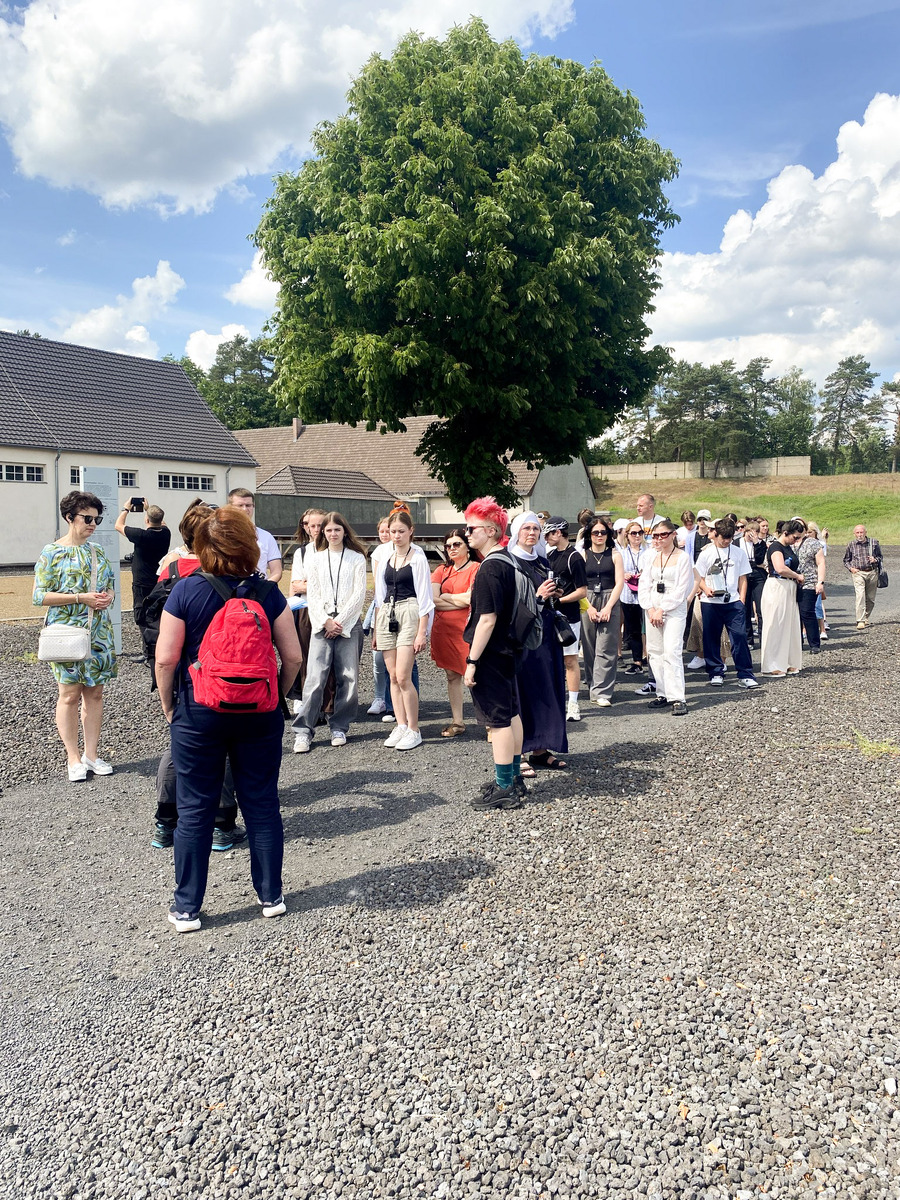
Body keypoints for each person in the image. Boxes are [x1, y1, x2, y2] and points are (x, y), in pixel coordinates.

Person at [155, 505, 302, 932]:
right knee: (261, 802)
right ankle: (271, 895)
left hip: (199, 710)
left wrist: (170, 705)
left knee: (196, 806)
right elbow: (292, 656)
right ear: (249, 545)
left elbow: (166, 660)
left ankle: (187, 908)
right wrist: (274, 696)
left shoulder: (185, 590)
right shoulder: (268, 594)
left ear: (201, 545)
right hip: (258, 713)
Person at [33, 490, 117, 781]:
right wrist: (81, 597)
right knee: (69, 695)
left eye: (97, 518)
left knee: (95, 693)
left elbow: (109, 586)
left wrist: (108, 597)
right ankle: (72, 758)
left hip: (98, 633)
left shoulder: (99, 552)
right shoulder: (51, 552)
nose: (93, 523)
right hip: (66, 633)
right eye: (88, 518)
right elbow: (39, 596)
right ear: (70, 517)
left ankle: (91, 755)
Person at [463, 498, 526, 810]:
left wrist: (472, 662)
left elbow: (487, 619)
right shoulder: (508, 560)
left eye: (472, 528)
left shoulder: (489, 568)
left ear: (489, 530)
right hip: (508, 650)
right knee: (511, 713)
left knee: (498, 721)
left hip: (491, 652)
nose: (467, 533)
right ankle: (513, 778)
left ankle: (505, 787)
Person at [292, 512, 367, 752]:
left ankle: (339, 726)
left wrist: (340, 622)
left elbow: (358, 595)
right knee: (315, 678)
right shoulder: (314, 560)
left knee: (349, 678)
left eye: (337, 529)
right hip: (320, 624)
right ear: (322, 533)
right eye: (328, 530)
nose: (332, 534)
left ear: (345, 531)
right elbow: (312, 595)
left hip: (348, 624)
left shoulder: (356, 558)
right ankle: (304, 730)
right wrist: (325, 621)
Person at [509, 512, 568, 772]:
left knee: (547, 689)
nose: (531, 532)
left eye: (535, 528)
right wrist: (539, 595)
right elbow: (512, 603)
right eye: (526, 528)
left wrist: (555, 594)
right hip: (523, 636)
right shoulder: (510, 563)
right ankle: (519, 752)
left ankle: (541, 749)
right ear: (516, 532)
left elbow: (548, 600)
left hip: (545, 636)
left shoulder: (543, 562)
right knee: (523, 691)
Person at [373, 509, 434, 751]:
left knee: (403, 676)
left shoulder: (418, 558)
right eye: (392, 532)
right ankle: (400, 724)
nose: (396, 536)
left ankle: (414, 728)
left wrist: (422, 631)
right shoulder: (386, 558)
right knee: (392, 675)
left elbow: (425, 598)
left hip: (409, 611)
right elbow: (379, 596)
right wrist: (376, 631)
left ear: (410, 532)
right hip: (387, 612)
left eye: (400, 531)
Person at [694, 518, 758, 689]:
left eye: (730, 537)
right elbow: (697, 576)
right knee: (711, 638)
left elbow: (743, 577)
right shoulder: (706, 553)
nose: (727, 541)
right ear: (715, 534)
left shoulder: (738, 553)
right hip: (711, 602)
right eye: (724, 537)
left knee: (739, 637)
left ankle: (745, 674)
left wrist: (742, 599)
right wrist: (705, 589)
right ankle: (715, 672)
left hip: (733, 602)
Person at [637, 519, 692, 715]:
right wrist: (651, 608)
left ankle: (677, 696)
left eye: (663, 535)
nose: (659, 539)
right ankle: (662, 692)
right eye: (655, 535)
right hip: (653, 606)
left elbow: (681, 590)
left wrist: (663, 609)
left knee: (671, 651)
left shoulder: (683, 558)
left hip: (673, 609)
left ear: (673, 535)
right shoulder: (651, 556)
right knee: (655, 651)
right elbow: (644, 584)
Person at [430, 528, 481, 737]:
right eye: (448, 545)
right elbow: (433, 600)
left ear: (467, 546)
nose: (452, 548)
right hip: (444, 631)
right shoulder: (441, 570)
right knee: (452, 675)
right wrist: (459, 599)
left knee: (476, 676)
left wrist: (447, 597)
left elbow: (473, 599)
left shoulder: (477, 568)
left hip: (468, 630)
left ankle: (489, 723)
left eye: (457, 544)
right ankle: (458, 722)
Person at [542, 517, 588, 720]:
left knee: (569, 660)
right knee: (552, 661)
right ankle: (555, 703)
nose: (545, 538)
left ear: (557, 533)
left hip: (568, 617)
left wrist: (562, 600)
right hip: (550, 614)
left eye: (548, 534)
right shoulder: (549, 555)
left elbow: (582, 591)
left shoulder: (574, 557)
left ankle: (574, 704)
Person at [114, 498, 170, 654]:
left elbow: (118, 525)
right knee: (157, 614)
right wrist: (149, 508)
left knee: (142, 617)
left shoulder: (141, 535)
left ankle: (148, 652)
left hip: (141, 583)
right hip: (158, 582)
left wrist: (125, 508)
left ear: (146, 520)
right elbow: (160, 521)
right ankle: (157, 648)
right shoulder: (166, 533)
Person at [578, 518, 624, 707]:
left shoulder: (615, 555)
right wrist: (589, 607)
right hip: (587, 599)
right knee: (589, 647)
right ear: (589, 534)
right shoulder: (582, 555)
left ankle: (603, 691)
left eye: (602, 532)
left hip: (609, 598)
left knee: (606, 646)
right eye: (595, 532)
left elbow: (619, 582)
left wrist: (608, 607)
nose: (599, 536)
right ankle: (593, 683)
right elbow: (578, 584)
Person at [287, 508, 328, 712]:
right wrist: (318, 585)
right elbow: (296, 585)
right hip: (305, 609)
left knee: (327, 657)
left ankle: (326, 702)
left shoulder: (335, 550)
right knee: (304, 654)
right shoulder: (301, 552)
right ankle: (303, 695)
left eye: (321, 525)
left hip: (329, 611)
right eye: (312, 525)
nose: (317, 529)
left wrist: (310, 585)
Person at [760, 519, 805, 677]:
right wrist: (797, 575)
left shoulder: (787, 547)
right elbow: (780, 568)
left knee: (790, 625)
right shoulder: (775, 547)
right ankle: (771, 664)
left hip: (789, 588)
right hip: (777, 586)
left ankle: (788, 662)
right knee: (776, 624)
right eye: (795, 537)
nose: (796, 540)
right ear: (785, 533)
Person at [227, 487, 283, 582]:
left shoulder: (266, 537)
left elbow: (277, 571)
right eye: (240, 505)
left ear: (253, 506)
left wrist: (264, 589)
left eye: (248, 505)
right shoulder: (223, 535)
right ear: (230, 507)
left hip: (259, 590)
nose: (245, 509)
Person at [620, 520, 648, 675]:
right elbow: (617, 572)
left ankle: (649, 656)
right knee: (633, 629)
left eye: (640, 532)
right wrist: (624, 574)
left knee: (651, 628)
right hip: (629, 595)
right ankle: (637, 661)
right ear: (627, 535)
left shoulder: (649, 551)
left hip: (646, 593)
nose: (637, 536)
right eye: (634, 533)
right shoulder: (622, 554)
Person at [843, 524, 883, 629]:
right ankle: (860, 620)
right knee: (860, 595)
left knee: (870, 598)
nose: (860, 534)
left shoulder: (874, 543)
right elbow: (846, 560)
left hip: (872, 572)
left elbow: (880, 557)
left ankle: (866, 617)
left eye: (861, 532)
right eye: (857, 532)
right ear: (854, 534)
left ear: (865, 532)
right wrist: (851, 569)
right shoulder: (851, 545)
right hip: (858, 573)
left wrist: (875, 560)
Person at [797, 522, 827, 653]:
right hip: (791, 583)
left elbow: (821, 563)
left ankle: (814, 644)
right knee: (794, 614)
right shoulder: (786, 544)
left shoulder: (813, 543)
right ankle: (797, 642)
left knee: (807, 612)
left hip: (809, 582)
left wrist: (820, 582)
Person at [740, 520, 768, 649]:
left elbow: (759, 559)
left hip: (758, 575)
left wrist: (757, 543)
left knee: (760, 607)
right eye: (751, 532)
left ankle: (763, 637)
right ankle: (748, 639)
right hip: (743, 575)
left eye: (756, 532)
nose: (753, 535)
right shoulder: (737, 543)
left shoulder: (760, 544)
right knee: (744, 608)